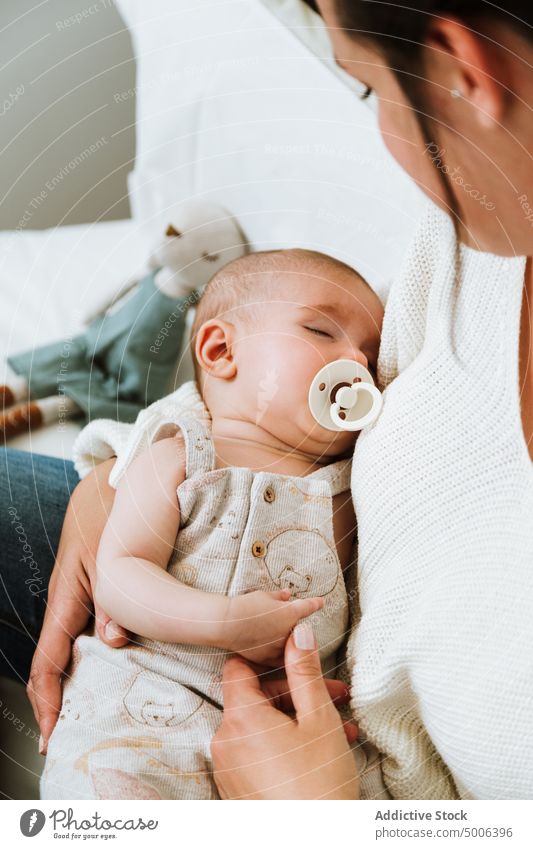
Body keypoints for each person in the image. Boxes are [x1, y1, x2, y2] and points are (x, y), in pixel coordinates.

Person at [2, 0, 531, 802]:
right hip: (167, 609)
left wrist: (312, 814)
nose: (358, 364)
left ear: (464, 72)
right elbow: (261, 386)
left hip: (347, 766)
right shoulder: (477, 241)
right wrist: (121, 474)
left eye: (366, 90)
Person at [39, 248, 380, 799]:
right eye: (321, 331)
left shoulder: (350, 487)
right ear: (221, 350)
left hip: (285, 738)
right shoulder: (184, 455)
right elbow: (121, 573)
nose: (358, 364)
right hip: (139, 711)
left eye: (372, 354)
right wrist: (221, 621)